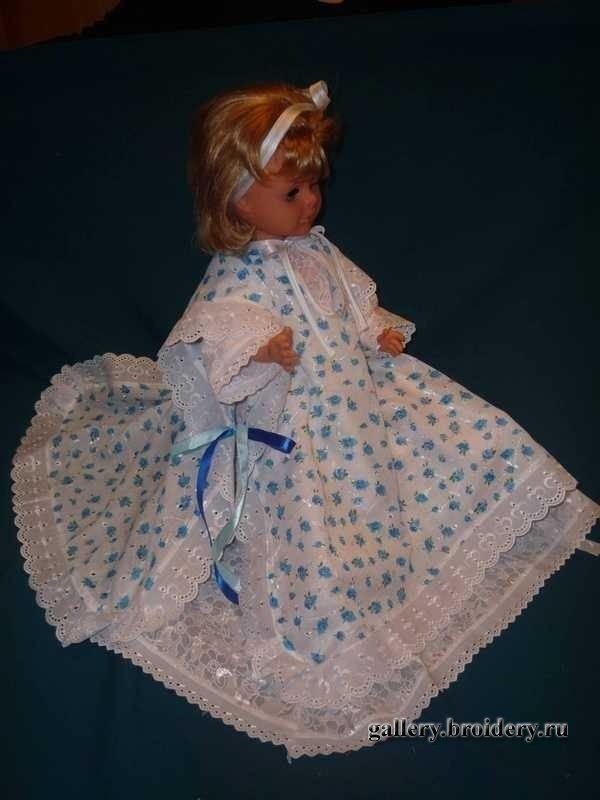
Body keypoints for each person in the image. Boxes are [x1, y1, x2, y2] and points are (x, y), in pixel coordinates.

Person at [11, 79, 599, 761]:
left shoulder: (316, 249)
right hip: (295, 419)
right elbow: (209, 339)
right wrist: (257, 352)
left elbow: (348, 299)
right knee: (313, 516)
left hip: (360, 398)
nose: (312, 201)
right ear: (237, 199)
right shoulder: (237, 274)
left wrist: (375, 329)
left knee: (464, 436)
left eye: (313, 185)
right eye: (293, 192)